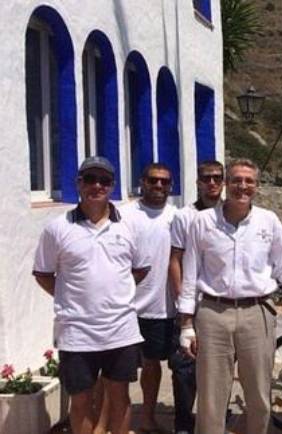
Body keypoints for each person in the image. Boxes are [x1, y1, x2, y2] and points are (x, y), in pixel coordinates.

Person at [177, 158, 282, 434]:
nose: (243, 186)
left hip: (258, 313)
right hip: (213, 313)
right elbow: (190, 273)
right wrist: (186, 325)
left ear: (257, 185)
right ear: (226, 184)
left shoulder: (269, 221)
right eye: (236, 180)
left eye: (249, 181)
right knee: (211, 396)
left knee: (259, 395)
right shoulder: (202, 222)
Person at [32, 156, 150, 434]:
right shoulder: (57, 228)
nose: (97, 185)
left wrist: (112, 293)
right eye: (90, 179)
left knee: (120, 397)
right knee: (81, 400)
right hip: (76, 332)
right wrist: (74, 298)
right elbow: (43, 274)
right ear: (78, 183)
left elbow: (140, 269)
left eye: (104, 180)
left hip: (121, 330)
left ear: (112, 186)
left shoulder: (129, 225)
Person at [167, 160, 224, 434]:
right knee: (185, 368)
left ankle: (216, 420)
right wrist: (183, 305)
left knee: (220, 367)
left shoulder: (231, 214)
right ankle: (183, 424)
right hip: (193, 304)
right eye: (206, 178)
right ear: (198, 182)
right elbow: (175, 260)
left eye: (217, 178)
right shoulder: (184, 216)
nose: (212, 183)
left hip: (220, 305)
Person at [120, 163, 177, 433]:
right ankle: (111, 419)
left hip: (162, 307)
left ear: (171, 186)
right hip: (126, 307)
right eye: (153, 181)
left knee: (153, 366)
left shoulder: (177, 217)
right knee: (115, 370)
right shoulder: (123, 214)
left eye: (164, 182)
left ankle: (147, 418)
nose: (158, 186)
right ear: (142, 182)